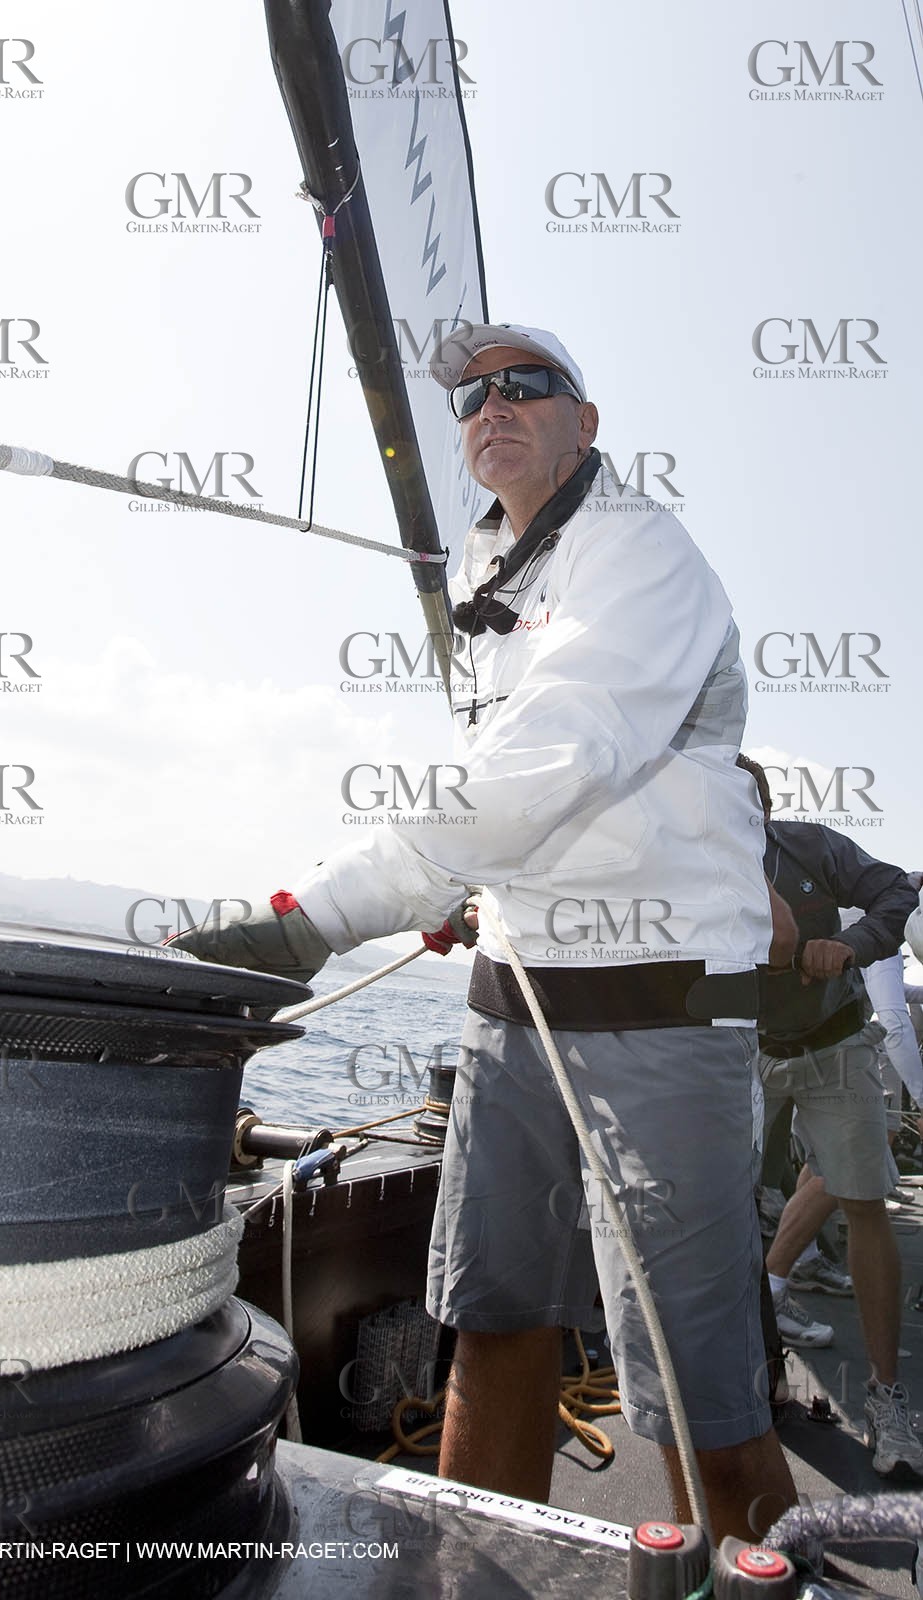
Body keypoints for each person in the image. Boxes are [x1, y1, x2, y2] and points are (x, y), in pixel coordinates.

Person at [173, 324, 795, 1539]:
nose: (490, 406)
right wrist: (468, 890)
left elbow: (555, 752)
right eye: (469, 395)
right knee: (494, 1327)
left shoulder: (639, 551)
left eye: (526, 386)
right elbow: (511, 787)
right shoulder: (489, 572)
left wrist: (318, 918)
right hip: (515, 1008)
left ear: (585, 421)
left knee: (694, 1395)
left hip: (654, 1008)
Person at [736, 756, 922, 1476]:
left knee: (862, 1200)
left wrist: (849, 944)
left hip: (835, 1043)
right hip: (743, 1050)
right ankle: (741, 1360)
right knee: (718, 1205)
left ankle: (884, 1395)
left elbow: (887, 892)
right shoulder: (682, 873)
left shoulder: (811, 845)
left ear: (758, 807)